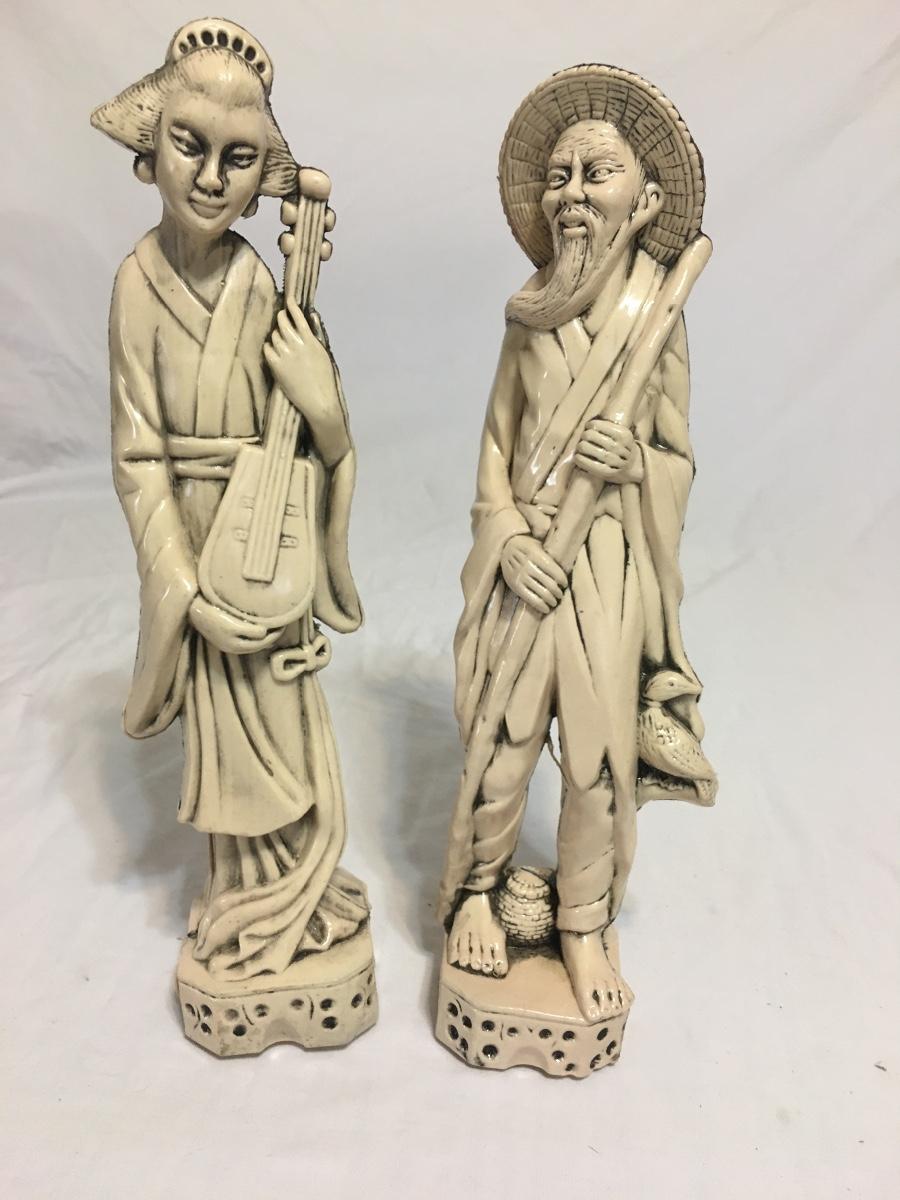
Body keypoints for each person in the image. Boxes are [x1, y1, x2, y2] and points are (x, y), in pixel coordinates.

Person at [92, 20, 367, 982]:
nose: (211, 178)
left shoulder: (268, 287)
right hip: (204, 557)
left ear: (262, 182)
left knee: (283, 729)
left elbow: (323, 448)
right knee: (225, 746)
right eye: (189, 146)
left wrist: (326, 413)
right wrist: (185, 590)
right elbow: (138, 459)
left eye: (239, 159)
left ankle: (296, 893)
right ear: (149, 151)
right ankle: (242, 899)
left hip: (267, 538)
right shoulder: (136, 287)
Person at [439, 66, 716, 1021]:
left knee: (595, 757)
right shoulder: (528, 315)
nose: (571, 195)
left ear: (645, 201)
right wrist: (506, 534)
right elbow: (493, 445)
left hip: (604, 565)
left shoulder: (659, 317)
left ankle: (583, 920)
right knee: (505, 736)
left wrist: (635, 462)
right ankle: (479, 892)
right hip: (527, 565)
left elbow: (677, 457)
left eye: (596, 174)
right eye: (558, 176)